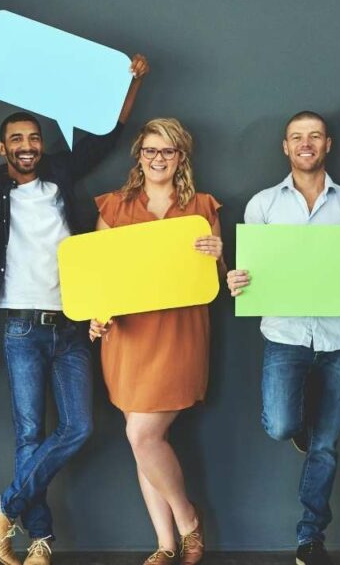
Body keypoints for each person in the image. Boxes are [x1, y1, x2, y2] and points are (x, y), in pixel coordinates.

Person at [0, 55, 150, 565]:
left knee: (78, 427)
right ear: (4, 148)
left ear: (42, 145)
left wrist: (132, 82)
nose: (26, 147)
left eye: (32, 138)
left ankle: (3, 508)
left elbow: (108, 134)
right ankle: (40, 540)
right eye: (16, 140)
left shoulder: (60, 174)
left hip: (73, 325)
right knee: (29, 434)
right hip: (20, 328)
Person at [225, 111, 340, 565]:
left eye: (314, 136)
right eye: (297, 137)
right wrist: (238, 280)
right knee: (281, 424)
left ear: (327, 144)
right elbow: (252, 271)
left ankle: (310, 537)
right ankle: (299, 423)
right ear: (285, 147)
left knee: (325, 446)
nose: (306, 144)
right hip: (285, 333)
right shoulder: (262, 205)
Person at [88, 118, 223, 565]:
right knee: (137, 436)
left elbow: (217, 281)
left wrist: (219, 257)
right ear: (139, 157)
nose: (158, 159)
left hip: (180, 332)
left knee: (143, 434)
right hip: (128, 335)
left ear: (181, 157)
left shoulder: (203, 207)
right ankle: (167, 543)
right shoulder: (115, 206)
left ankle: (188, 521)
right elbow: (100, 276)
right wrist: (97, 317)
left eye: (167, 152)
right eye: (150, 151)